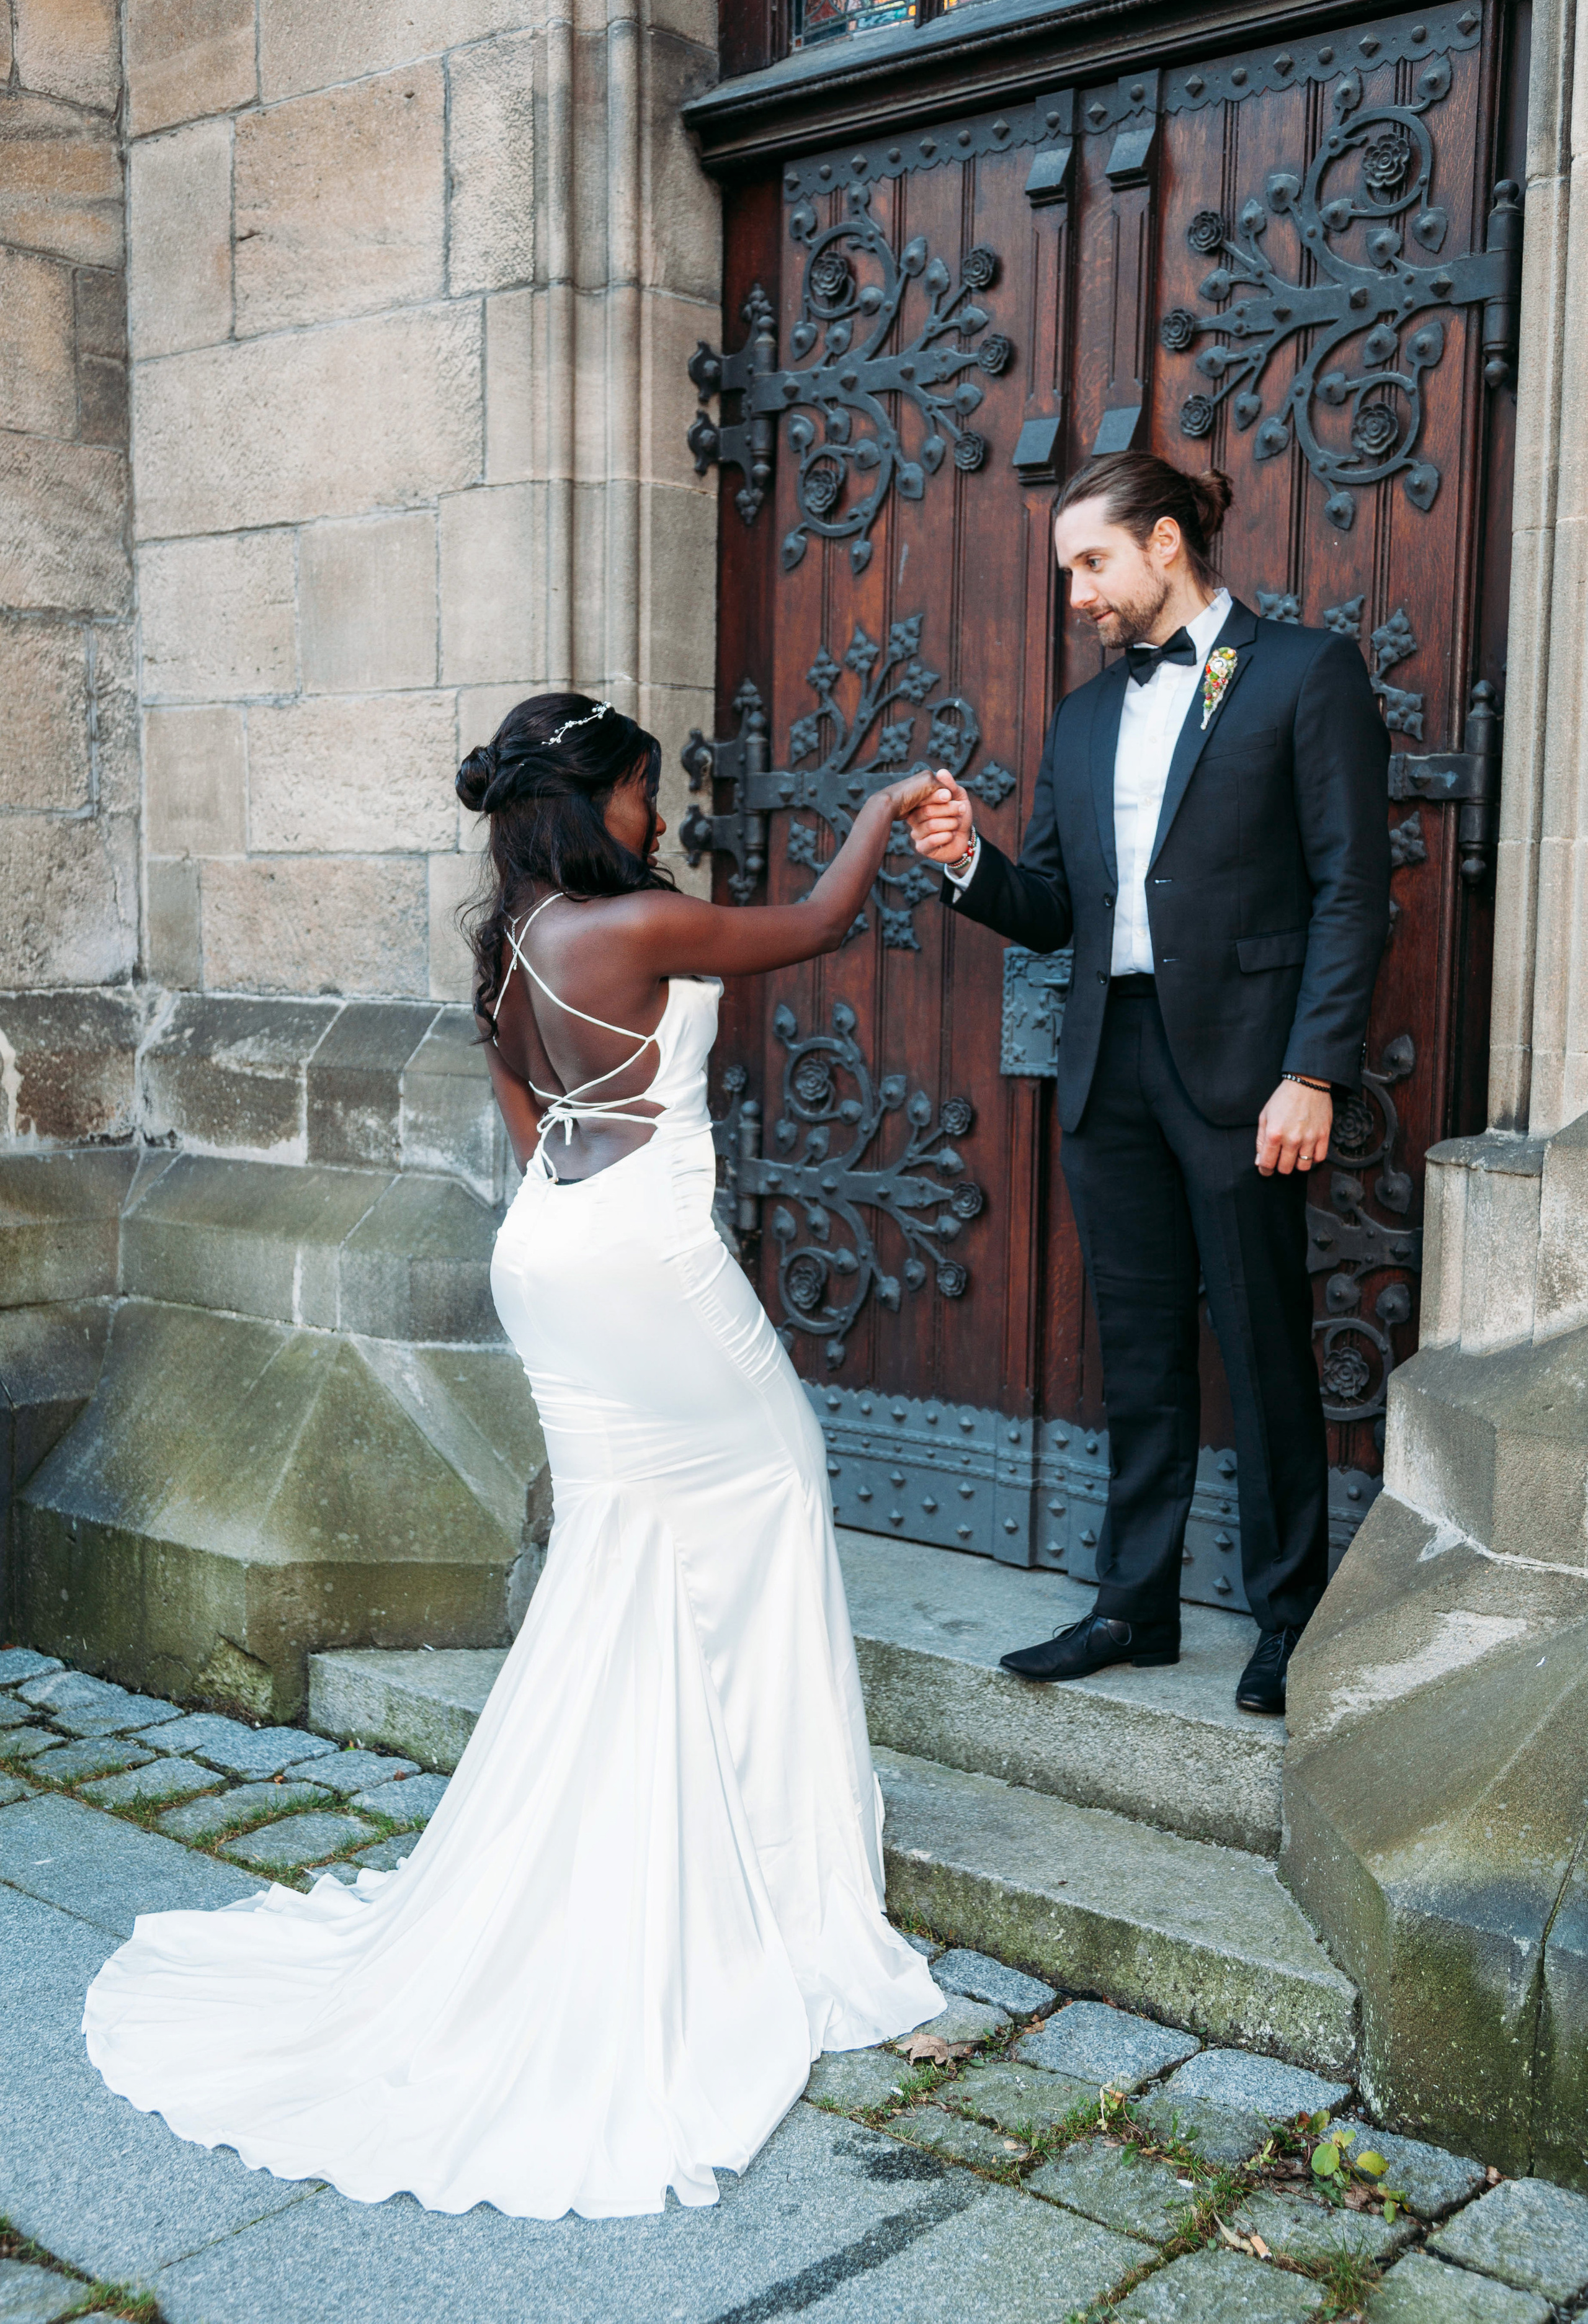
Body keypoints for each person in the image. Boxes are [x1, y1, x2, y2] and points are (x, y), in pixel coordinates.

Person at [83, 696, 943, 2221]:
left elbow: (524, 1108)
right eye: (642, 791)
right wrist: (881, 809)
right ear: (592, 799)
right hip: (644, 1255)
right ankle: (776, 1876)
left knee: (628, 1543)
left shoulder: (519, 939)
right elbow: (815, 926)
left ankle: (673, 1833)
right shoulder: (633, 925)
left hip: (551, 1239)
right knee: (775, 1484)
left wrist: (580, 1183)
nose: (654, 815)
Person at [905, 453, 1389, 1717]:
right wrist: (967, 864)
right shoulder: (1081, 716)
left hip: (1246, 1065)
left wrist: (1312, 1070)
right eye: (1069, 568)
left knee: (1262, 1345)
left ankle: (1289, 1619)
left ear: (1165, 542)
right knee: (1135, 1348)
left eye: (1092, 563)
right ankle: (1134, 1607)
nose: (1076, 593)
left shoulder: (1305, 673)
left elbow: (1351, 890)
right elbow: (1054, 907)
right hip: (1106, 1059)